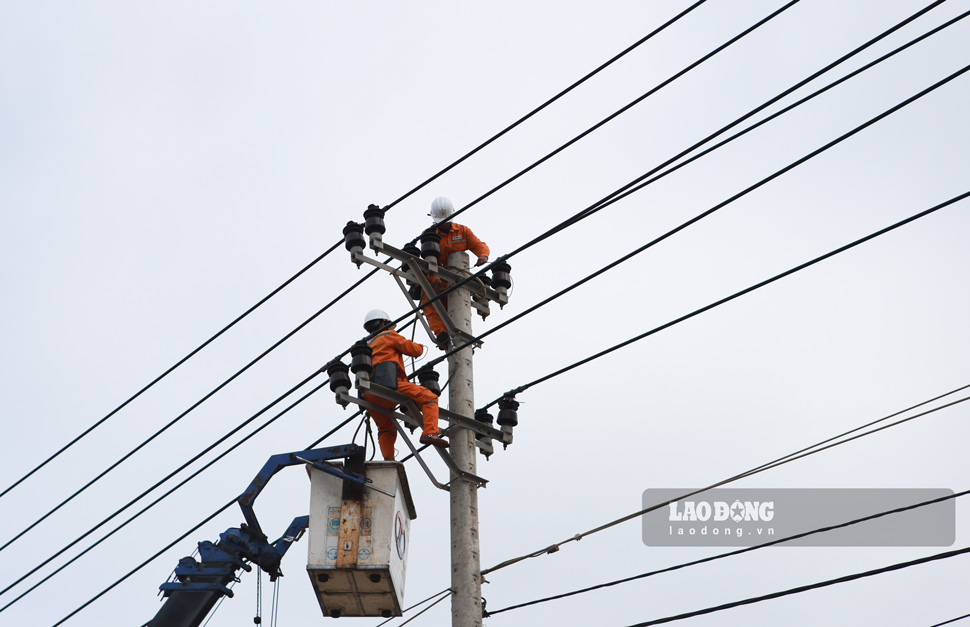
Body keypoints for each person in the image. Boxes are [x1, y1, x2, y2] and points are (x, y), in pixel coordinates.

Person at [360, 309, 448, 460]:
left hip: (368, 393)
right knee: (429, 397)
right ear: (382, 324)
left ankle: (389, 461)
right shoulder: (389, 335)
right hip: (389, 383)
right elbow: (415, 351)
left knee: (385, 428)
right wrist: (420, 346)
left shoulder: (367, 345)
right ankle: (430, 433)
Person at [419, 196, 490, 349]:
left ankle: (458, 348)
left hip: (459, 280)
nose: (444, 223)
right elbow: (429, 261)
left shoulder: (462, 231)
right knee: (428, 302)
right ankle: (443, 337)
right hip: (437, 277)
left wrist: (483, 256)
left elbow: (479, 245)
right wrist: (435, 279)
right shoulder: (428, 235)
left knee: (456, 315)